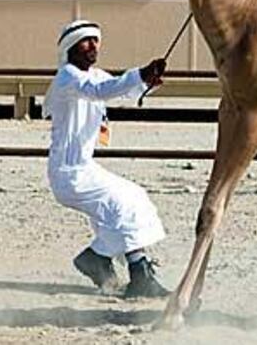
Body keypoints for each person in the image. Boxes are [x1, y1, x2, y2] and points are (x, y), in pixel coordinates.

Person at [42, 19, 169, 298]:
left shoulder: (94, 76)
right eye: (85, 41)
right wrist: (140, 73)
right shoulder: (68, 77)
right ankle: (99, 258)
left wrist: (147, 81)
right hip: (69, 173)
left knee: (126, 203)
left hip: (84, 169)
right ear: (70, 47)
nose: (92, 46)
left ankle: (134, 270)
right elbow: (101, 91)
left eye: (96, 40)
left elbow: (117, 89)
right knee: (128, 202)